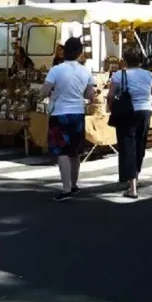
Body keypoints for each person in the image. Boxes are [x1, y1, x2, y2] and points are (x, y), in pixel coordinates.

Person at [42, 37, 96, 201]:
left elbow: (44, 91)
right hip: (78, 113)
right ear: (80, 53)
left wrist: (51, 94)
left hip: (59, 113)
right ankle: (74, 185)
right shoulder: (86, 71)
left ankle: (66, 189)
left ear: (64, 51)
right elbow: (90, 94)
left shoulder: (56, 70)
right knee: (75, 152)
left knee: (62, 152)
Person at [109, 46, 152, 199]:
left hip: (127, 112)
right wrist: (150, 108)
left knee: (127, 147)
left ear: (124, 60)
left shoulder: (119, 75)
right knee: (139, 145)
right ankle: (136, 176)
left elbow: (111, 95)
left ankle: (132, 187)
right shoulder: (149, 75)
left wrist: (112, 109)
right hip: (145, 112)